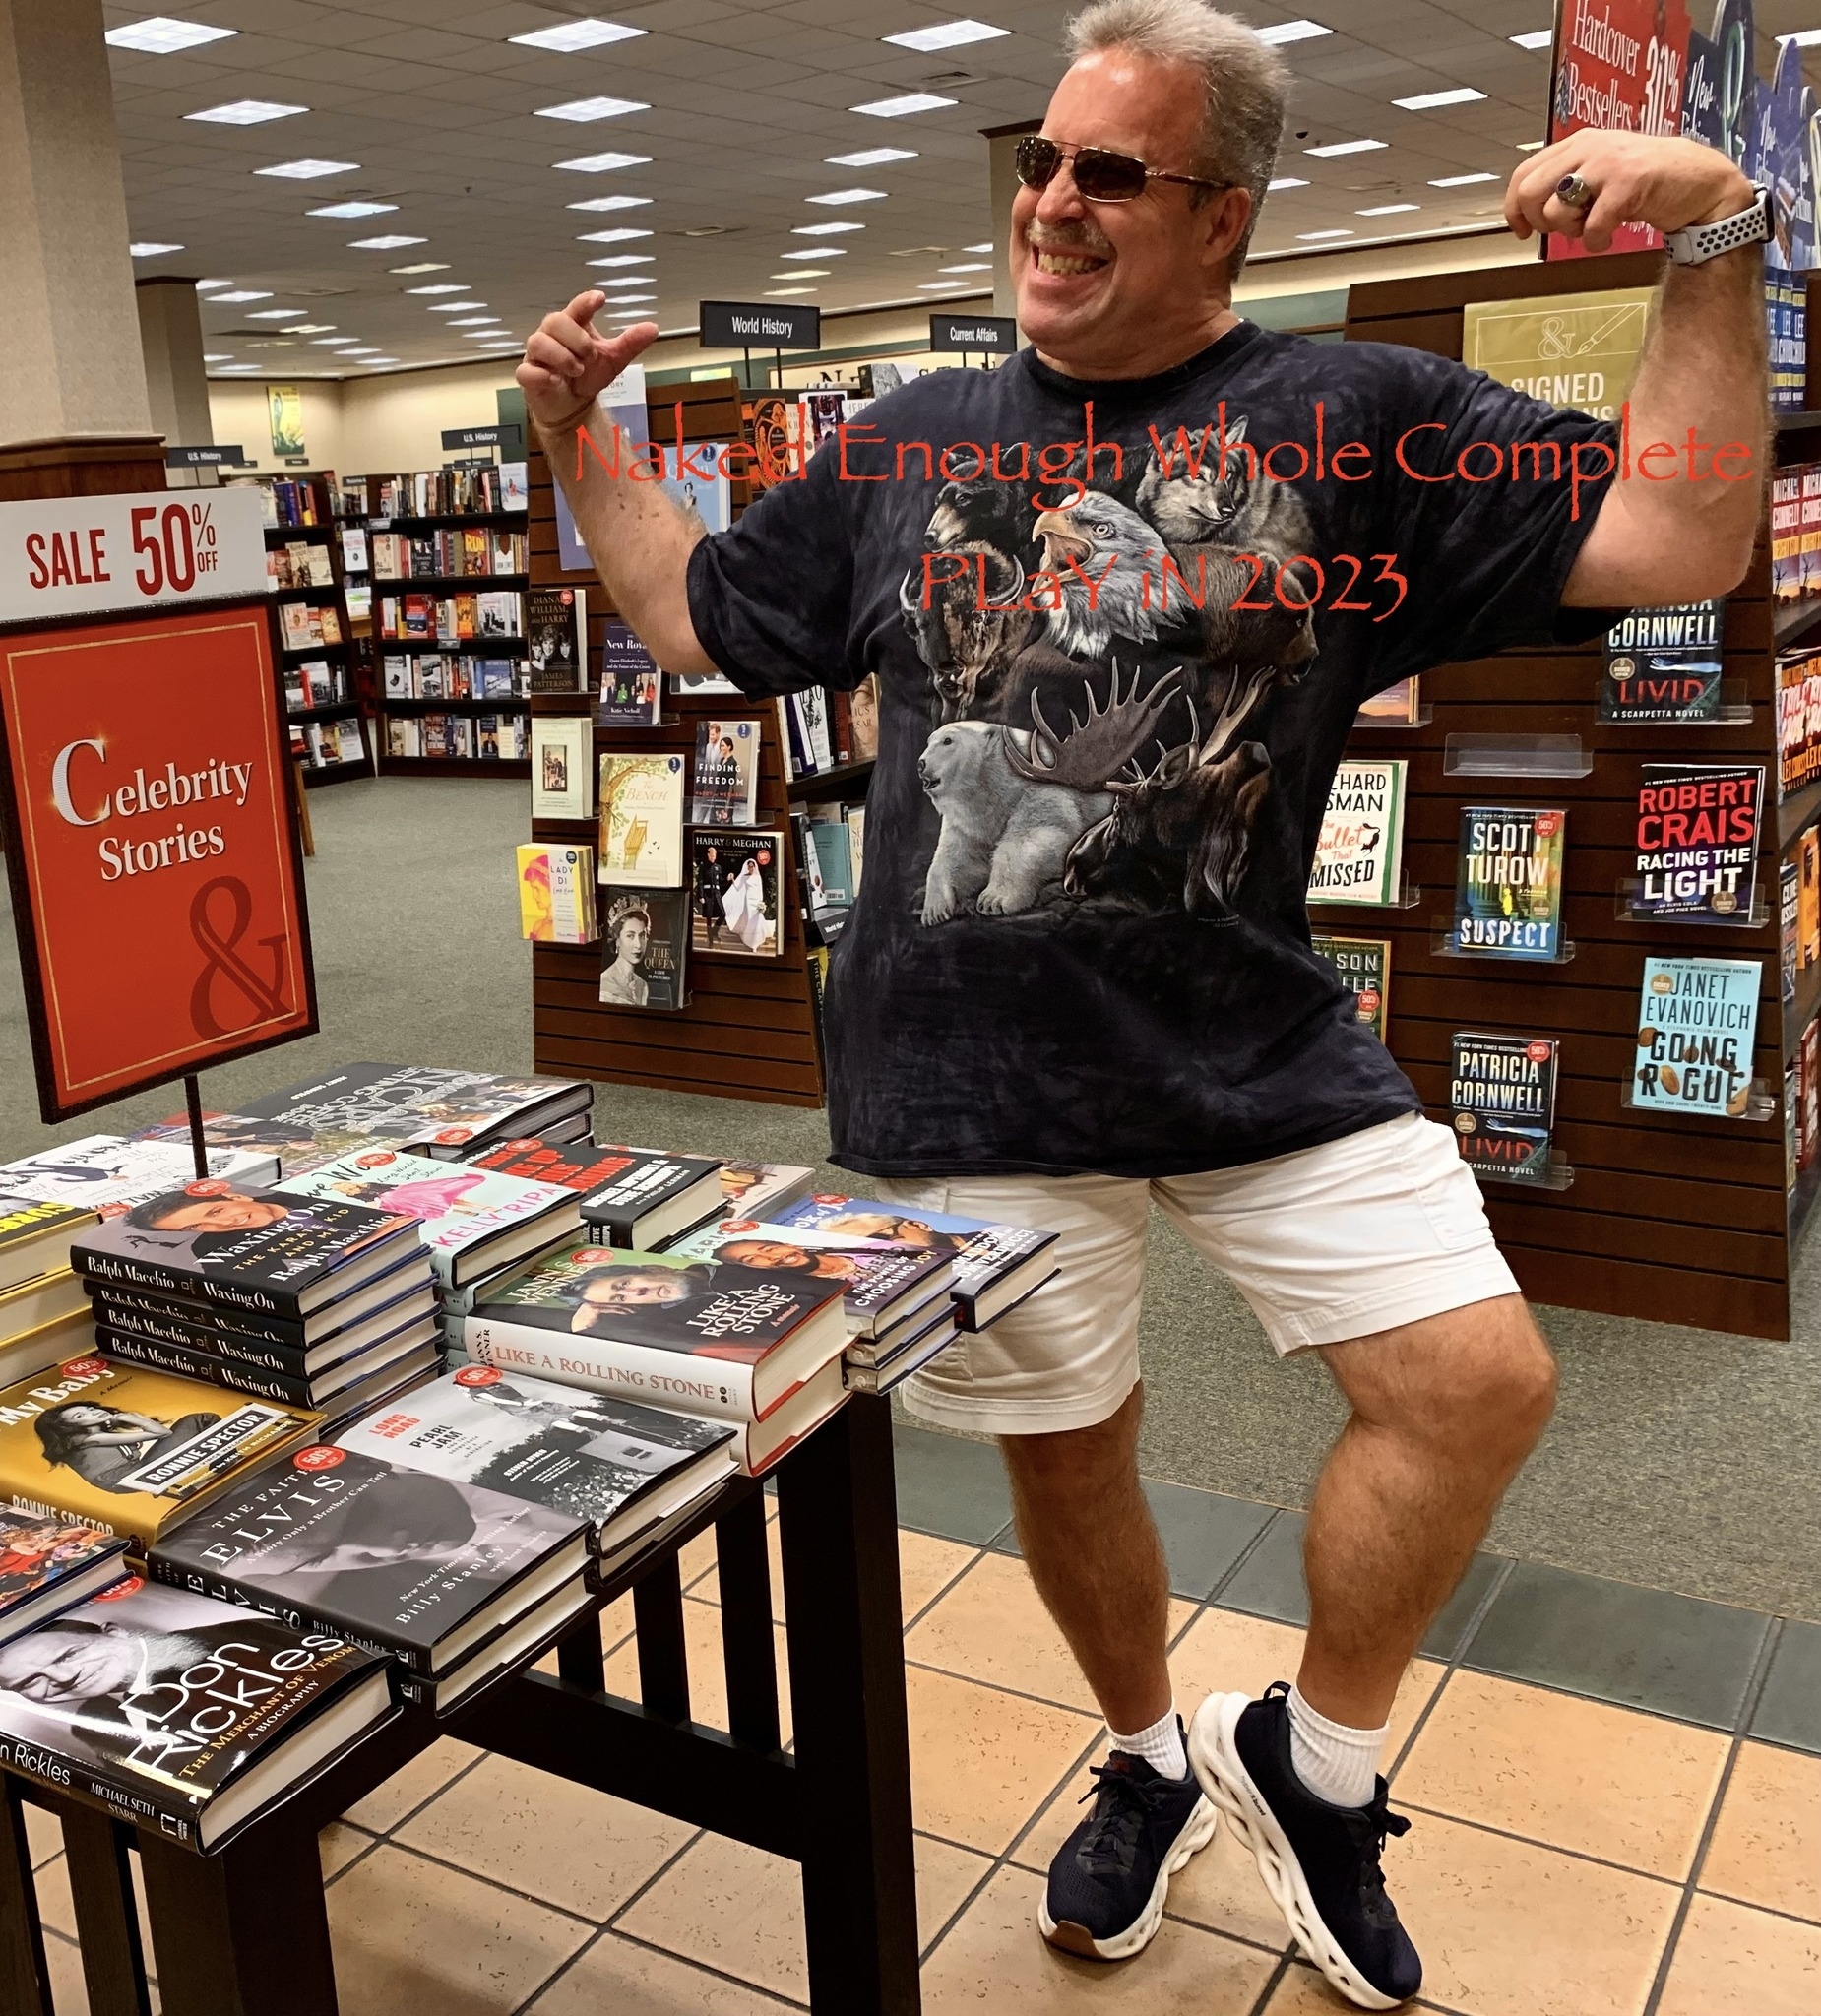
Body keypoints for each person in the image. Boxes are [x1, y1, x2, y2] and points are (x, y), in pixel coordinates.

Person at [517, 5, 1766, 2004]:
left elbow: (1682, 530)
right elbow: (695, 611)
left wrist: (1713, 240)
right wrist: (578, 440)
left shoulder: (1354, 412)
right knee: (1068, 1447)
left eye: (1111, 172)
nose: (1052, 202)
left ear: (1225, 215)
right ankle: (1146, 1756)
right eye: (1042, 162)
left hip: (1249, 1025)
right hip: (966, 1071)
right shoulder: (911, 435)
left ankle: (1316, 1766)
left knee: (1476, 1381)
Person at [34, 1400, 222, 1494]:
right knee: (202, 1420)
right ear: (67, 1427)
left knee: (200, 1425)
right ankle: (223, 1469)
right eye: (79, 1416)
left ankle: (212, 1474)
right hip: (125, 1477)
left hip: (127, 1475)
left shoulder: (95, 1437)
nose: (93, 1413)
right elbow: (162, 1434)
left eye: (90, 1409)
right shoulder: (86, 1439)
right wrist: (132, 1418)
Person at [600, 902, 654, 1006]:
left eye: (642, 936)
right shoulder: (606, 983)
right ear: (617, 940)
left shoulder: (642, 985)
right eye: (630, 936)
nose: (638, 945)